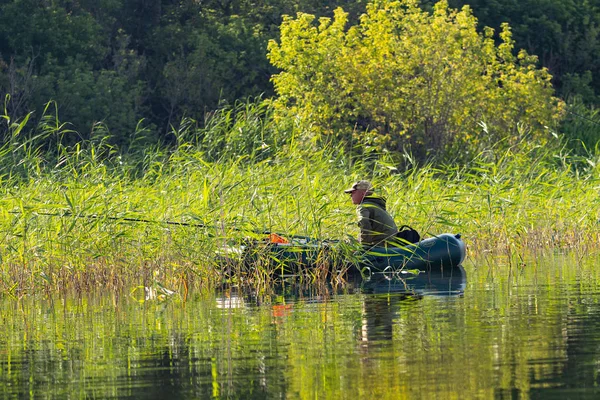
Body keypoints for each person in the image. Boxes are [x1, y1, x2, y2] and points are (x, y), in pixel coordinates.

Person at [344, 180, 399, 247]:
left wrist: (363, 246)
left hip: (380, 246)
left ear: (363, 193)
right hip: (391, 244)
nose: (351, 195)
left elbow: (365, 225)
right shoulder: (376, 205)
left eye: (353, 192)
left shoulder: (363, 206)